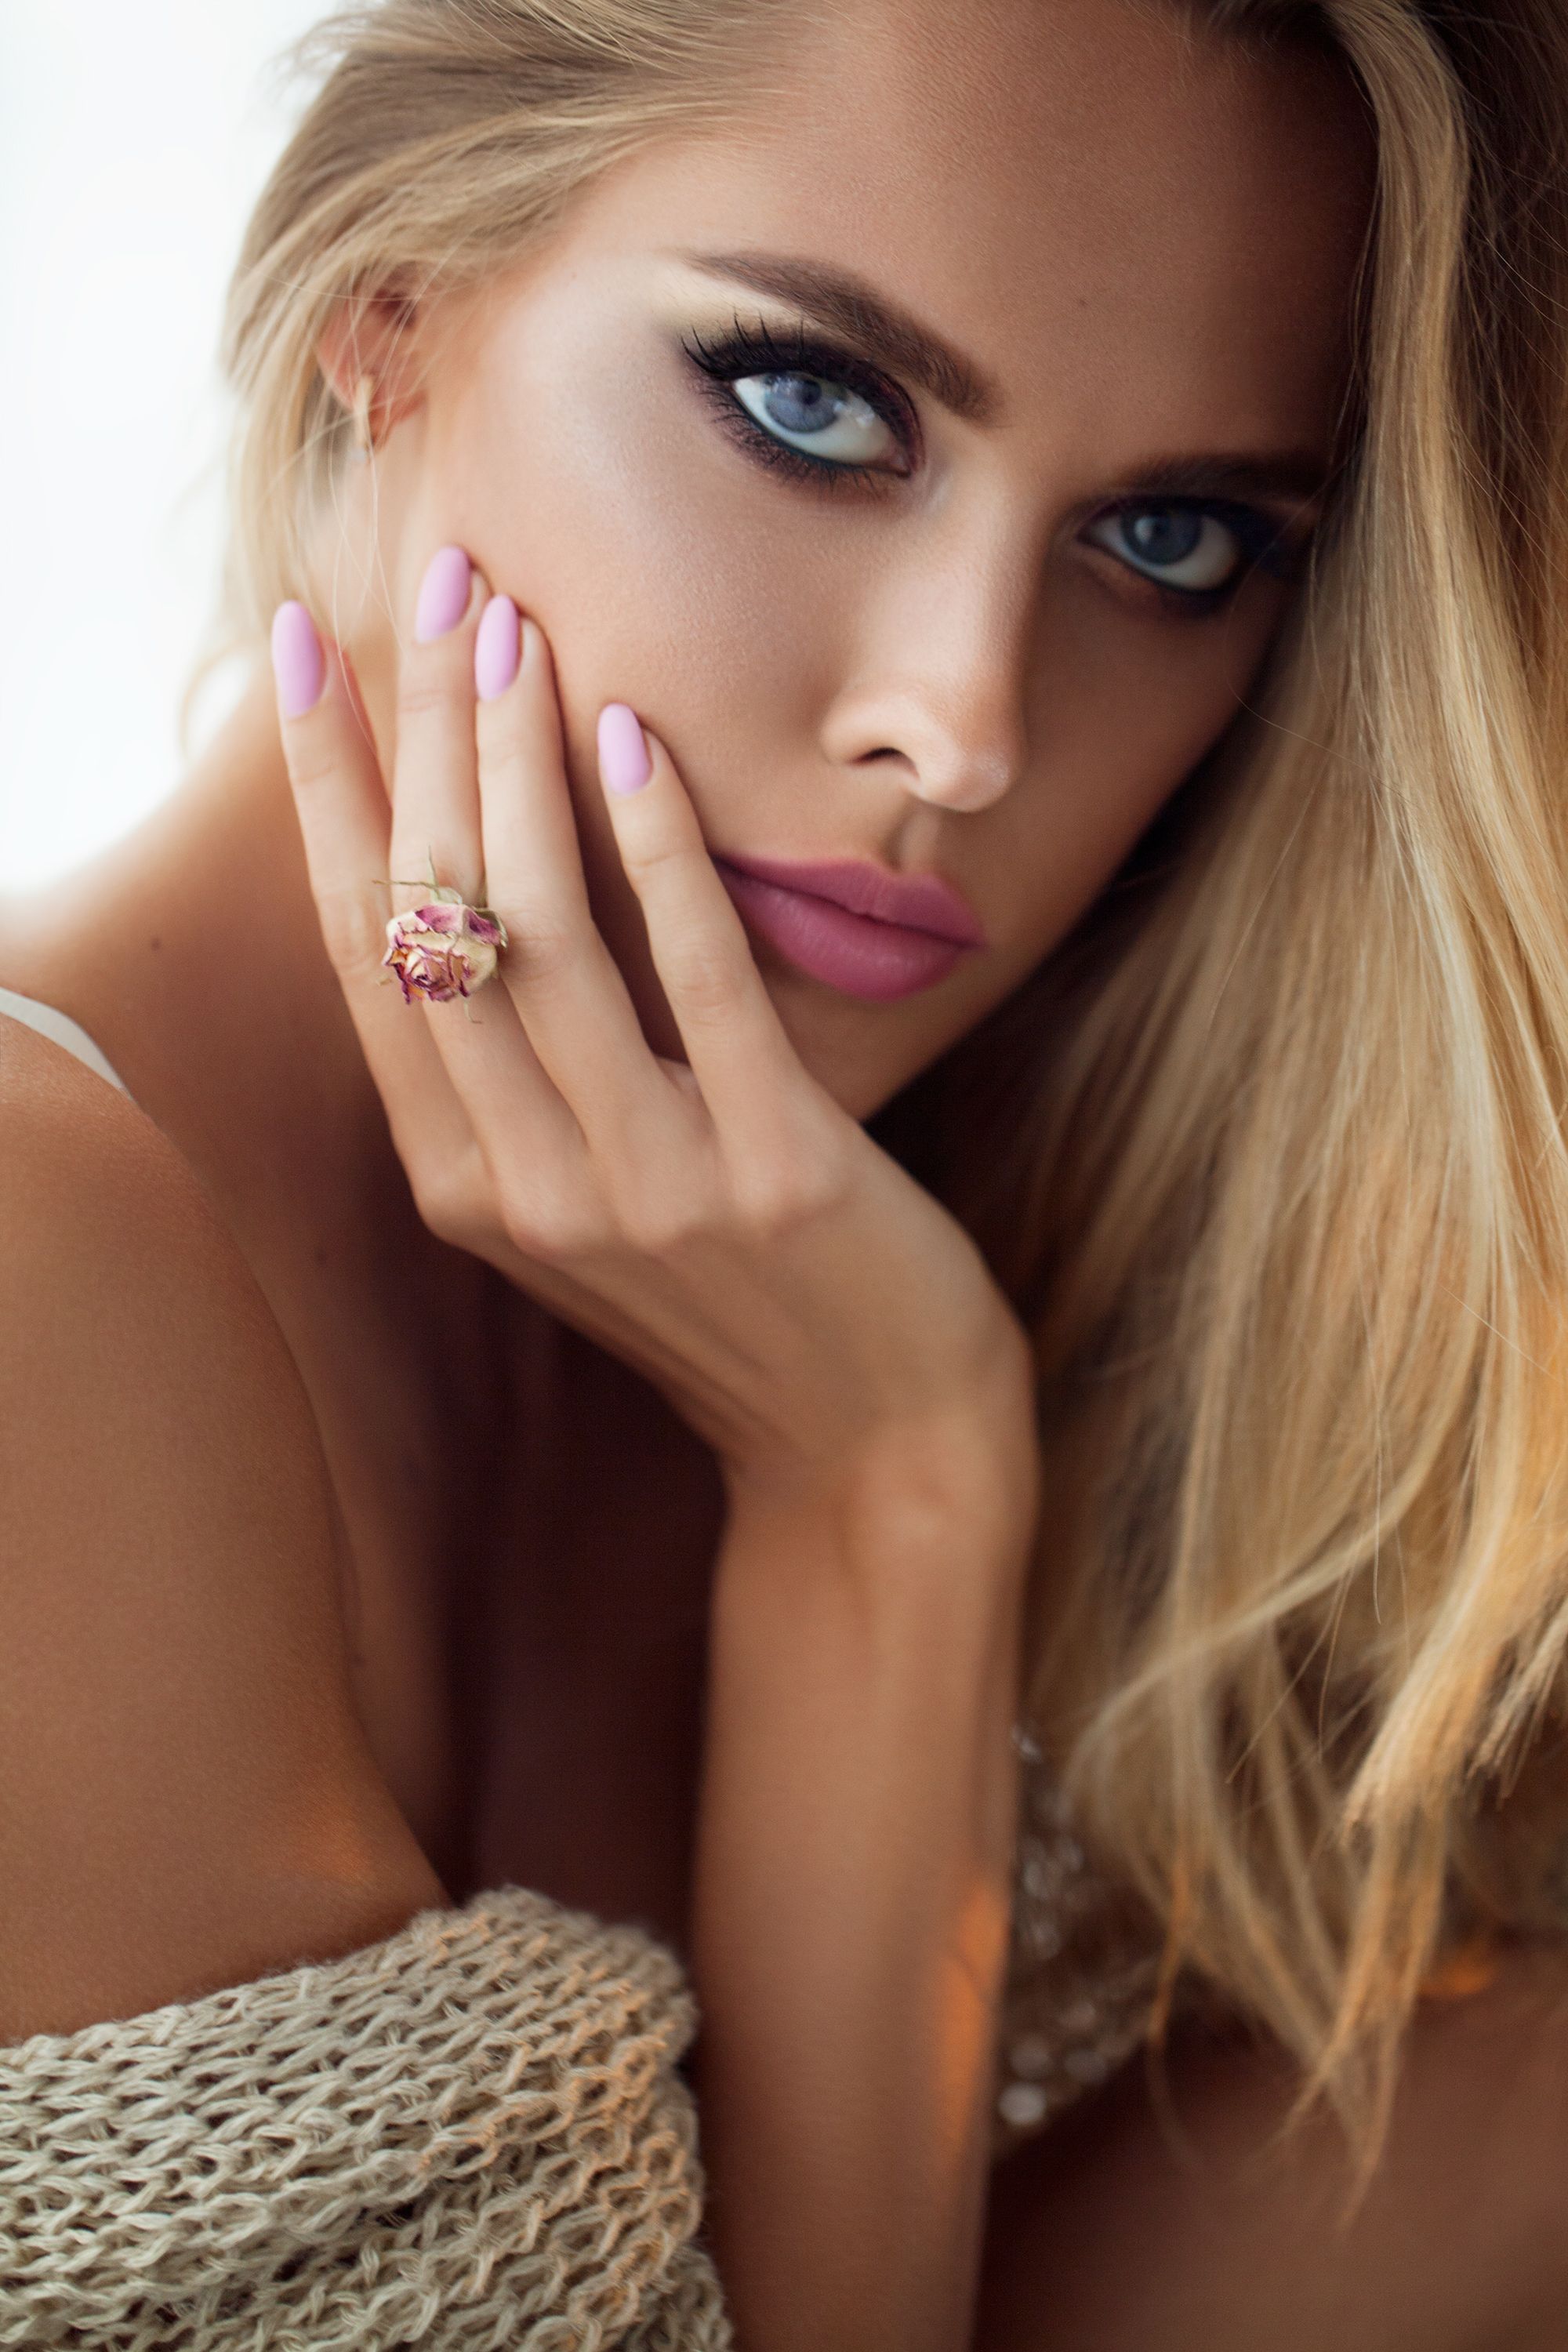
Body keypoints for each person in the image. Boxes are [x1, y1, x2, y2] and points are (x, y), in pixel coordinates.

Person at [4, 0, 1568, 2341]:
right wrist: (887, 1494)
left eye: (1174, 539)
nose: (965, 718)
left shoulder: (1026, 1243)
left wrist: (909, 1436)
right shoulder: (39, 1268)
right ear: (390, 304)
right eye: (813, 404)